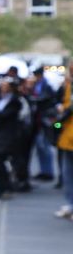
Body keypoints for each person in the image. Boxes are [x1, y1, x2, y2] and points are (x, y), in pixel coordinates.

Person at [0, 77, 27, 199]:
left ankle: (7, 186)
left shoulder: (15, 101)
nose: (1, 87)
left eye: (5, 85)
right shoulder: (0, 99)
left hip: (6, 137)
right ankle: (3, 187)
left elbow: (3, 115)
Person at [53, 62, 73, 219]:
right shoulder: (67, 87)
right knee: (67, 174)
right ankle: (70, 204)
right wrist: (58, 121)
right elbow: (61, 119)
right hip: (66, 137)